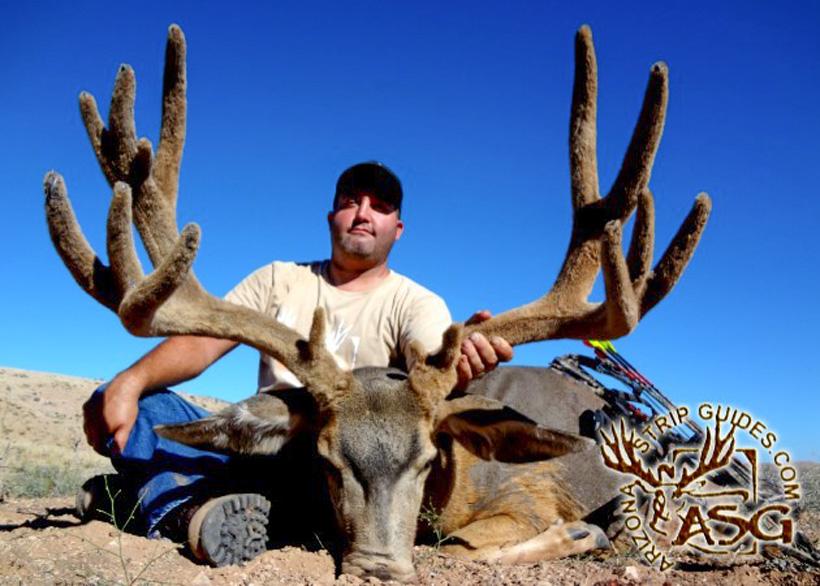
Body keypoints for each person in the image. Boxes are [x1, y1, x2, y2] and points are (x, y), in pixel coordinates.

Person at [79, 161, 512, 566]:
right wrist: (130, 383)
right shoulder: (279, 279)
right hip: (265, 433)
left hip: (340, 464)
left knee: (324, 482)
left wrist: (458, 361)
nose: (362, 214)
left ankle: (176, 509)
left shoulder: (415, 302)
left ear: (396, 230)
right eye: (350, 202)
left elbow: (429, 351)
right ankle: (175, 501)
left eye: (379, 208)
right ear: (331, 218)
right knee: (140, 406)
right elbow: (201, 344)